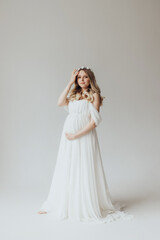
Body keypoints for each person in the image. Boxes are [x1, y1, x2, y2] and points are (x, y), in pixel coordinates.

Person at [37, 67, 133, 224]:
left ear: (91, 79)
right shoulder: (74, 94)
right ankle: (61, 204)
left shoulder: (94, 95)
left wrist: (76, 134)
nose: (82, 79)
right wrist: (69, 82)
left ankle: (83, 205)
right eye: (79, 77)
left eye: (85, 77)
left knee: (83, 167)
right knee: (67, 166)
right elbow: (60, 102)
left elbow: (94, 122)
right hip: (68, 138)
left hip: (84, 136)